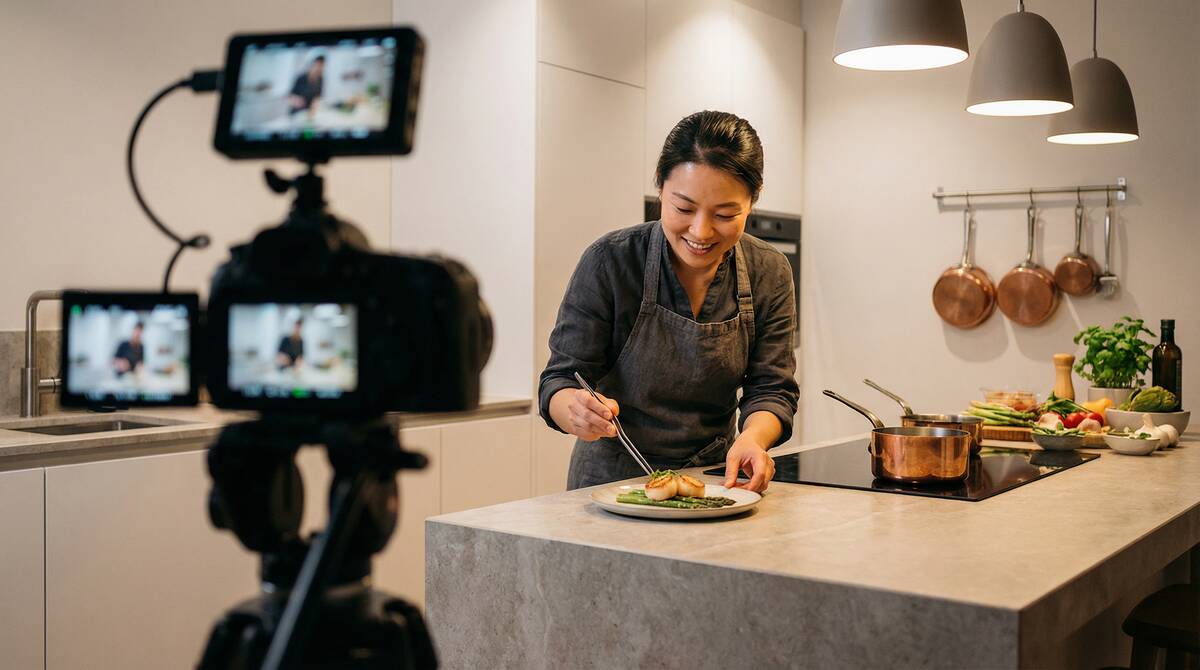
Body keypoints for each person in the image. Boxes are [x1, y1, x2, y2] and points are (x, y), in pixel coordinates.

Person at [539, 110, 798, 493]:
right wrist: (574, 410)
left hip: (716, 481)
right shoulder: (611, 261)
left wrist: (753, 439)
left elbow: (772, 389)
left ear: (752, 202)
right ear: (661, 188)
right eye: (684, 208)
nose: (701, 231)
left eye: (725, 214)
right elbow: (560, 379)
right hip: (612, 485)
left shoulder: (768, 271)